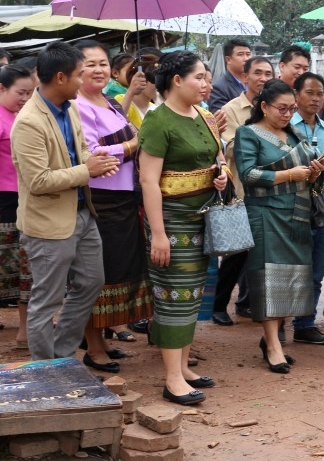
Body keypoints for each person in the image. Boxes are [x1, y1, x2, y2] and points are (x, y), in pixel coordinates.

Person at [11, 42, 120, 361]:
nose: (84, 80)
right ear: (60, 77)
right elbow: (39, 181)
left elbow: (80, 150)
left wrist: (94, 159)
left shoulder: (69, 106)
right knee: (47, 299)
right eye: (79, 74)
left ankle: (60, 355)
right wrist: (88, 170)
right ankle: (46, 369)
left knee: (92, 283)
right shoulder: (29, 122)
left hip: (82, 213)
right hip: (47, 224)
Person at [139, 51, 228, 405]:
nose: (206, 84)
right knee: (173, 296)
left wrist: (222, 175)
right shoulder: (157, 121)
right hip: (172, 221)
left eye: (207, 78)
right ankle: (172, 378)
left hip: (203, 218)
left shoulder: (204, 116)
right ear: (177, 81)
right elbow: (148, 181)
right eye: (199, 77)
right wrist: (159, 234)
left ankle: (184, 368)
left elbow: (218, 157)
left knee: (193, 295)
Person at [234, 79, 324, 373]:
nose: (287, 114)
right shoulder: (248, 133)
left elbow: (308, 179)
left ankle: (271, 340)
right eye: (281, 108)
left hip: (296, 214)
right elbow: (248, 174)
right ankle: (274, 345)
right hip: (265, 213)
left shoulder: (294, 133)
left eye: (291, 109)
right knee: (268, 277)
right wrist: (289, 175)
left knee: (290, 278)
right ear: (264, 106)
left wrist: (315, 172)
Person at [74, 40, 152, 370]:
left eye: (103, 63)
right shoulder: (79, 105)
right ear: (75, 70)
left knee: (119, 271)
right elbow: (93, 154)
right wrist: (133, 144)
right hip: (100, 201)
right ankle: (93, 347)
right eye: (90, 64)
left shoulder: (108, 101)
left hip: (124, 198)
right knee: (97, 275)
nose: (99, 70)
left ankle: (102, 339)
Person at [212, 57, 275, 327]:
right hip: (240, 191)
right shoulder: (231, 109)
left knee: (264, 252)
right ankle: (218, 305)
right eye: (257, 73)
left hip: (270, 190)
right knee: (235, 253)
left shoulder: (275, 107)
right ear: (245, 77)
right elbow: (229, 148)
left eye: (268, 73)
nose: (263, 78)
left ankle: (251, 303)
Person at [290, 72, 324, 345]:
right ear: (296, 95)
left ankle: (305, 324)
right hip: (292, 206)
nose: (315, 99)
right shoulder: (286, 127)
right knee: (290, 268)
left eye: (320, 93)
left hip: (323, 206)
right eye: (309, 93)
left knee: (316, 270)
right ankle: (279, 324)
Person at [0, 63, 35, 347]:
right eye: (20, 93)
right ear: (1, 88)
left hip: (22, 199)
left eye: (29, 93)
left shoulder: (18, 116)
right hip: (0, 200)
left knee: (26, 268)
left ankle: (24, 332)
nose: (25, 98)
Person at [208, 38, 251, 112]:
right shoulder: (219, 88)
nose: (246, 59)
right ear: (228, 60)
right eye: (240, 54)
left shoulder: (253, 82)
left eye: (248, 54)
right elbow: (221, 117)